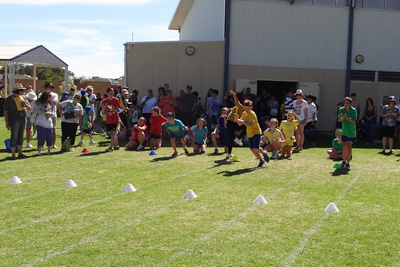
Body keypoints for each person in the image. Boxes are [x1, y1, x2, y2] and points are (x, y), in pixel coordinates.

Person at [235, 100, 269, 167]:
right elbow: (240, 124)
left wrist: (242, 121)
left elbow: (250, 124)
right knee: (252, 149)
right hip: (250, 133)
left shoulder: (252, 114)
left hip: (256, 132)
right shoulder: (244, 113)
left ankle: (264, 152)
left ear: (251, 107)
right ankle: (261, 160)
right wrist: (237, 119)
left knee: (256, 148)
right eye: (245, 108)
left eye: (248, 108)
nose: (246, 110)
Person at [4, 83, 31, 159]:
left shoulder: (24, 98)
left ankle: (20, 153)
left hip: (23, 118)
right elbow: (5, 112)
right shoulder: (9, 99)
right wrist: (7, 123)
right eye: (21, 90)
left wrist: (25, 103)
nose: (23, 91)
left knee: (21, 135)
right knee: (14, 135)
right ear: (17, 91)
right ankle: (13, 154)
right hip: (13, 119)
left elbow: (29, 108)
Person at [226, 90, 247, 159]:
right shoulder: (240, 106)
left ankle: (229, 153)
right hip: (232, 122)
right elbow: (236, 102)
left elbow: (230, 110)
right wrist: (234, 95)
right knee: (247, 126)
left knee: (231, 137)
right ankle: (239, 138)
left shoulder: (236, 107)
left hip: (229, 122)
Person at [338, 96, 357, 169]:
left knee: (349, 146)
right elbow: (339, 120)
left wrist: (346, 118)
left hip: (351, 131)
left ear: (350, 103)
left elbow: (354, 121)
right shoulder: (341, 109)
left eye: (347, 103)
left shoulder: (353, 110)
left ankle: (348, 162)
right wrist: (342, 117)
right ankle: (344, 160)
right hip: (344, 131)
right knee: (344, 146)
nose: (346, 104)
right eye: (344, 103)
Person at [102, 88, 121, 152]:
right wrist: (105, 106)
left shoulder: (116, 100)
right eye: (110, 93)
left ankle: (111, 147)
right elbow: (103, 111)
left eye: (112, 93)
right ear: (107, 93)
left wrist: (110, 108)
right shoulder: (105, 101)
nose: (112, 94)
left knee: (113, 133)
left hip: (115, 119)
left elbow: (117, 110)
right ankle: (117, 145)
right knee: (113, 133)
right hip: (108, 120)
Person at [34, 91, 53, 156]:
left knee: (49, 136)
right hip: (41, 121)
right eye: (49, 96)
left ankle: (48, 150)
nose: (51, 97)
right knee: (41, 136)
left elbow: (50, 110)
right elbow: (37, 110)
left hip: (48, 122)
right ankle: (39, 151)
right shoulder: (39, 103)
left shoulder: (49, 103)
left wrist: (50, 113)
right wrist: (45, 113)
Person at [44, 83, 58, 149]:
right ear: (46, 87)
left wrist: (49, 99)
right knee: (43, 129)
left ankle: (53, 144)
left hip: (52, 114)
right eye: (50, 87)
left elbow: (54, 103)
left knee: (53, 129)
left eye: (52, 87)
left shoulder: (55, 95)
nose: (51, 89)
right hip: (43, 114)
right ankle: (42, 144)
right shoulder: (41, 94)